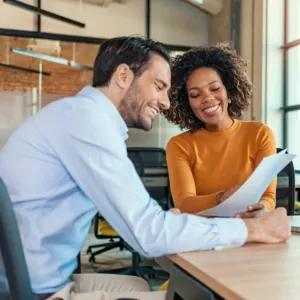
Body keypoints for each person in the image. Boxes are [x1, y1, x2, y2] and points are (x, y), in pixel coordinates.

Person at [0, 37, 291, 300]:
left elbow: (142, 223)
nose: (165, 102)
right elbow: (148, 235)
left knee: (141, 287)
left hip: (31, 277)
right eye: (160, 86)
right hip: (31, 290)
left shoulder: (78, 116)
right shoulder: (85, 122)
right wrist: (249, 229)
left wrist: (163, 220)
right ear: (124, 76)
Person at [164, 44, 276, 218]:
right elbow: (184, 203)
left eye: (215, 88)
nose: (207, 98)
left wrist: (261, 207)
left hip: (248, 227)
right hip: (203, 233)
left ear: (229, 91)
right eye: (195, 95)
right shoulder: (179, 145)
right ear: (187, 103)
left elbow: (268, 197)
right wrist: (221, 198)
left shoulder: (260, 134)